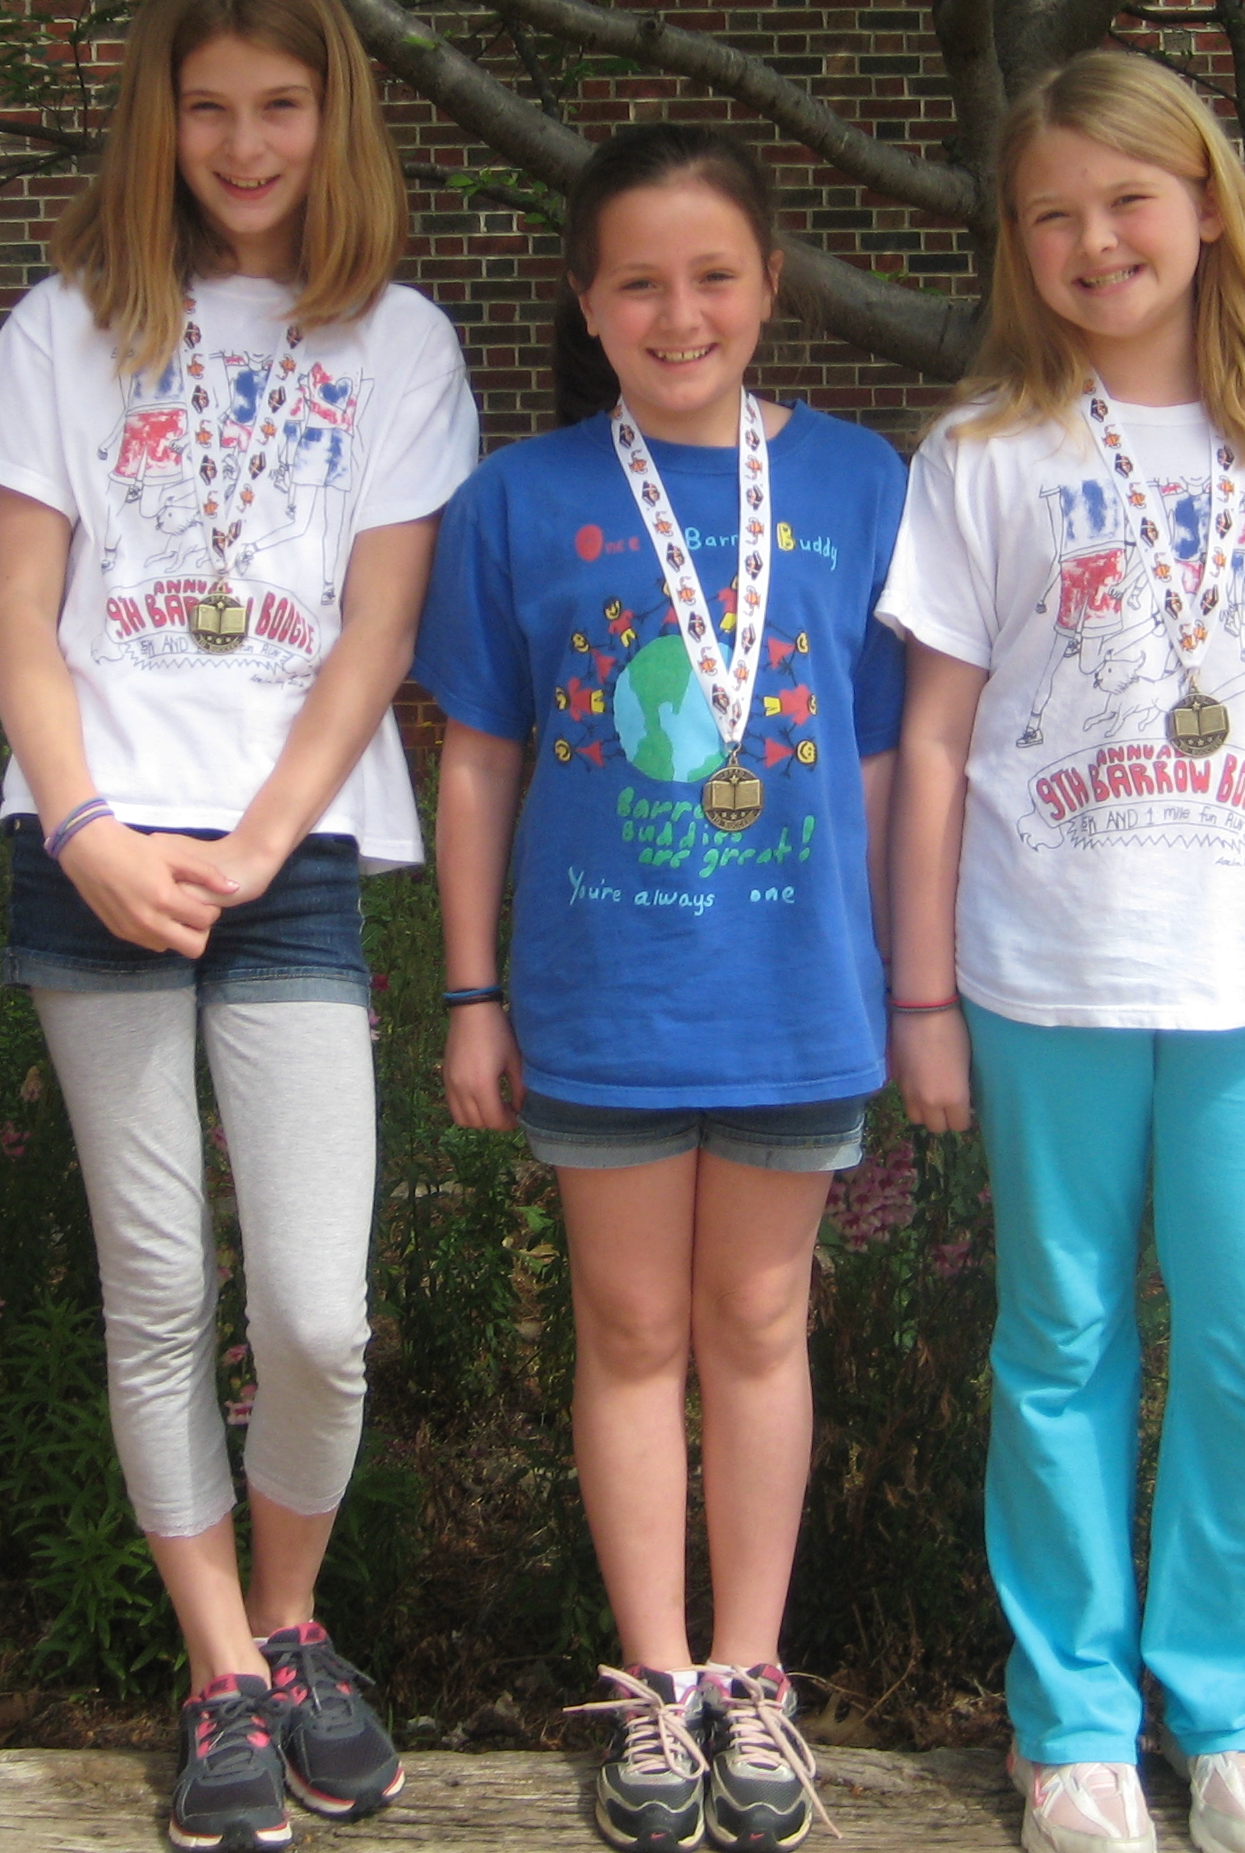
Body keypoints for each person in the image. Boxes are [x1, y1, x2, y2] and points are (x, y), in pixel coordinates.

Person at [0, 0, 475, 1853]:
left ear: (333, 118)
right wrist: (86, 825)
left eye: (281, 106)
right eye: (207, 107)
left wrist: (261, 842)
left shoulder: (396, 343)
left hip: (287, 859)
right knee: (160, 1283)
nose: (245, 144)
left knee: (319, 1312)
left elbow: (377, 632)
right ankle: (222, 1670)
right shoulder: (68, 327)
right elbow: (19, 611)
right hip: (95, 851)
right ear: (156, 123)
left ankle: (294, 1614)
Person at [881, 50, 1245, 1853]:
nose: (1096, 241)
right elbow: (934, 740)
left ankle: (1235, 1709)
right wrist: (922, 997)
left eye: (1129, 200)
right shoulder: (983, 455)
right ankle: (1076, 1723)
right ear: (1016, 243)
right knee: (1061, 1342)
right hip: (1049, 973)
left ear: (1206, 206)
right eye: (1054, 215)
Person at [418, 124, 907, 1853]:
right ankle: (653, 1680)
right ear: (586, 301)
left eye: (714, 277)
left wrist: (892, 980)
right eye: (640, 282)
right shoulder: (517, 499)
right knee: (629, 1334)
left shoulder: (862, 482)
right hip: (602, 1001)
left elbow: (887, 757)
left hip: (793, 999)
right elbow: (477, 761)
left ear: (772, 285)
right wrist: (470, 994)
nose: (679, 314)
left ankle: (751, 1679)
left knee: (760, 1329)